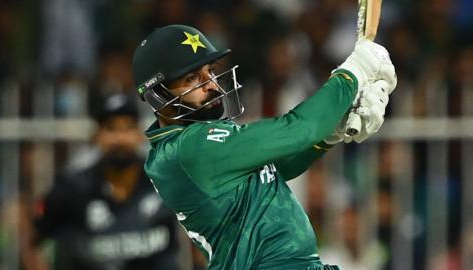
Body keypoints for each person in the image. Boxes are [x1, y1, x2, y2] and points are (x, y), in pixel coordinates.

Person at [131, 24, 396, 269]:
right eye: (192, 79)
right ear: (159, 93)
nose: (212, 85)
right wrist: (352, 74)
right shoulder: (191, 148)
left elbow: (277, 167)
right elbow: (300, 129)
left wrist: (331, 134)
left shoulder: (183, 145)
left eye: (209, 73)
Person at [21, 93, 181, 270]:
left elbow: (202, 233)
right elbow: (31, 239)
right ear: (96, 136)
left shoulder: (164, 179)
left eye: (128, 128)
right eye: (111, 128)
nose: (120, 138)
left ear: (139, 134)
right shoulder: (72, 187)